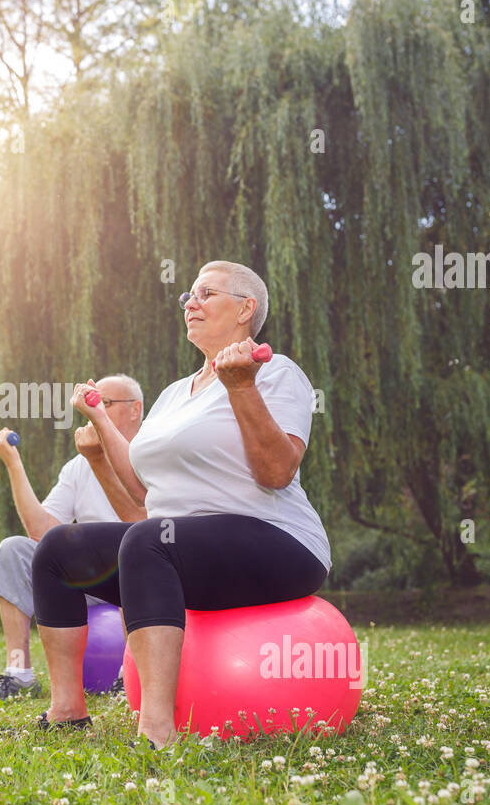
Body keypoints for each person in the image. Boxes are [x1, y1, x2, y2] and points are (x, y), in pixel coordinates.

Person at [30, 261, 331, 746]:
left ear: (245, 308)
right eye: (188, 296)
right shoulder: (173, 395)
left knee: (149, 541)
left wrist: (241, 386)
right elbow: (144, 494)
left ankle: (156, 728)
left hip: (277, 541)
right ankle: (67, 712)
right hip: (180, 552)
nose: (190, 303)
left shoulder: (274, 372)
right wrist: (101, 421)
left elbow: (277, 472)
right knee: (60, 550)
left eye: (206, 293)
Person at [0, 375, 147, 702]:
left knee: (133, 547)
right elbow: (42, 531)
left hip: (144, 573)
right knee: (14, 550)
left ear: (135, 410)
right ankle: (19, 673)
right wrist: (13, 464)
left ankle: (129, 676)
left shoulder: (152, 453)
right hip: (93, 578)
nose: (95, 411)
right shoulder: (79, 466)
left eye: (104, 403)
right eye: (91, 403)